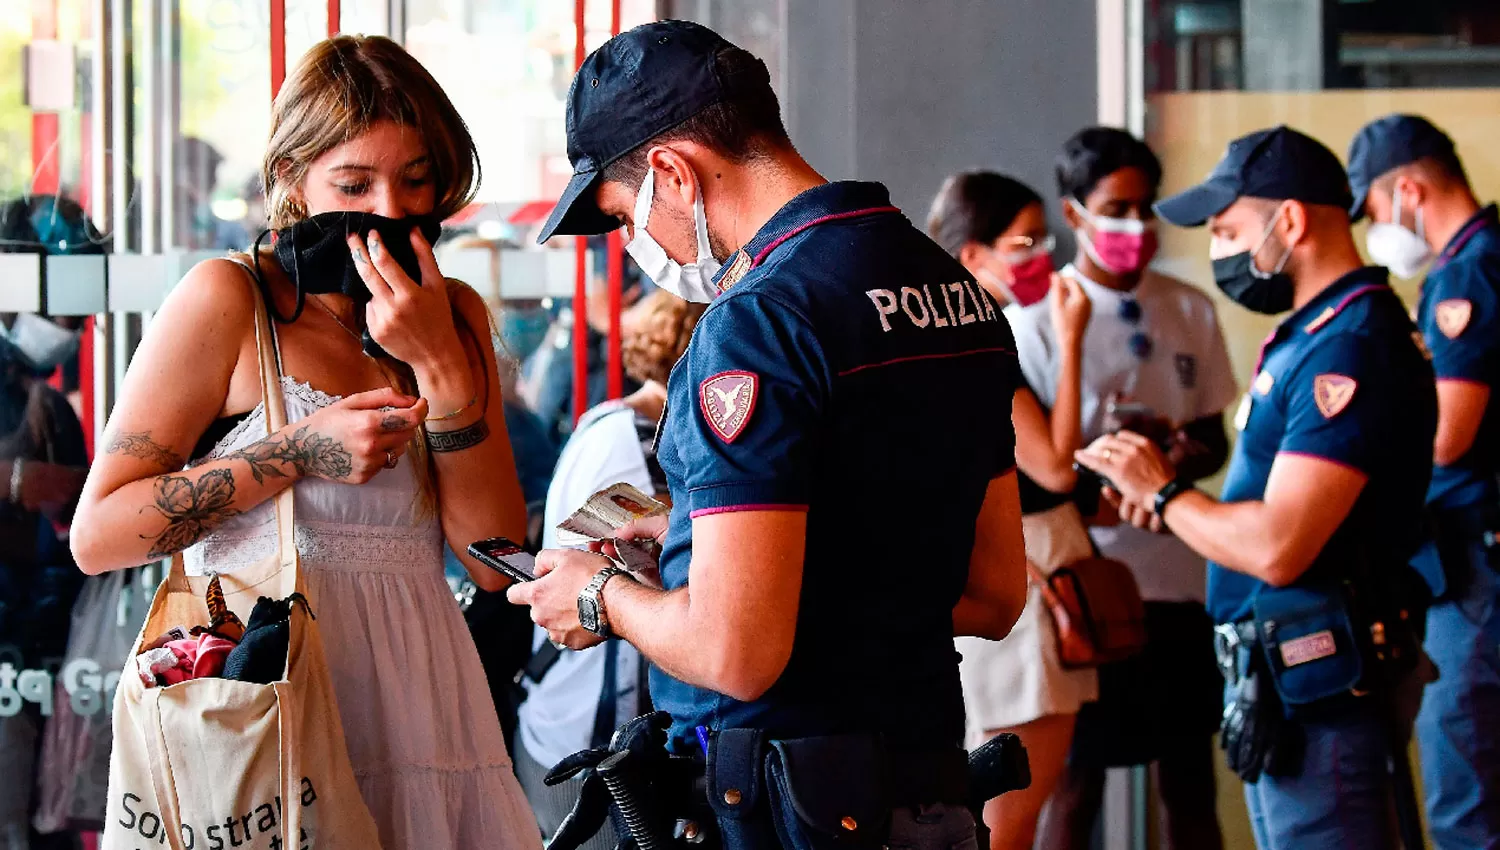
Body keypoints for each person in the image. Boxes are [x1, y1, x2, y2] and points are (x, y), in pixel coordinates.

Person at [509, 20, 1029, 850]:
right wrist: (708, 549)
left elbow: (735, 652)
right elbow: (996, 591)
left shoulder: (756, 322)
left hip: (782, 803)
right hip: (928, 786)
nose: (640, 246)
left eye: (622, 218)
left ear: (673, 173)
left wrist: (599, 596)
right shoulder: (948, 286)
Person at [69, 36, 540, 850]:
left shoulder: (450, 311)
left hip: (423, 705)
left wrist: (440, 365)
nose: (390, 210)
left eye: (416, 180)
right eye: (354, 184)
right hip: (267, 709)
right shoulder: (229, 300)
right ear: (292, 181)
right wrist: (296, 454)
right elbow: (98, 534)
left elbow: (491, 556)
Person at [1076, 125, 1437, 849]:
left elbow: (1278, 547)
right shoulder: (1313, 333)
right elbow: (1264, 510)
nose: (1221, 252)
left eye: (1228, 230)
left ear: (1290, 221)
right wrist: (1168, 508)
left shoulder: (1350, 347)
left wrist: (1168, 491)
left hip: (1325, 678)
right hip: (1282, 676)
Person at [1014, 128, 1229, 850]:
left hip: (1177, 577)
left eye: (1146, 209)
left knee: (1190, 785)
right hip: (1085, 584)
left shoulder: (1190, 308)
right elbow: (1037, 467)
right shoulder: (1033, 324)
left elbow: (1214, 434)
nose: (1136, 225)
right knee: (1073, 790)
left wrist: (1175, 456)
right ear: (1074, 215)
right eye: (1118, 208)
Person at [927, 171, 1098, 850]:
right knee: (1012, 816)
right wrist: (1072, 336)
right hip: (1028, 574)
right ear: (973, 255)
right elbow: (1055, 463)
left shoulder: (933, 331)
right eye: (1024, 244)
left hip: (999, 568)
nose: (1040, 259)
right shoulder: (976, 336)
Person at [1347, 114, 1500, 849]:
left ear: (1408, 188)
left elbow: (1448, 438)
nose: (1378, 229)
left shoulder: (1466, 276)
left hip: (1477, 569)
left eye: (1373, 210)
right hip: (1469, 563)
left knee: (1466, 804)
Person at [514, 289, 705, 850]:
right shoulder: (646, 447)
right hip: (598, 740)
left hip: (558, 717)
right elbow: (688, 579)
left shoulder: (610, 420)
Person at [0, 194, 97, 850]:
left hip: (41, 643)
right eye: (66, 309)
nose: (76, 327)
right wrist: (14, 481)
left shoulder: (46, 400)